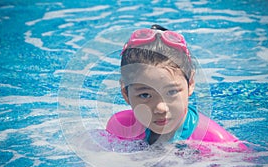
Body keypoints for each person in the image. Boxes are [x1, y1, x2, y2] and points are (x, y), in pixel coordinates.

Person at [106, 24, 247, 151]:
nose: (161, 108)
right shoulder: (120, 128)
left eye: (171, 92)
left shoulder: (219, 145)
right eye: (145, 95)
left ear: (190, 84)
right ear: (125, 93)